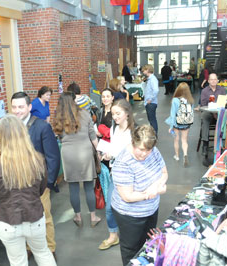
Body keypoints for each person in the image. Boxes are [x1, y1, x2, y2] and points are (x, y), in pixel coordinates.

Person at [0, 115, 56, 266]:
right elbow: (41, 189)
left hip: (7, 220)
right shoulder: (37, 159)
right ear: (24, 133)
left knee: (18, 261)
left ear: (1, 136)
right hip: (34, 216)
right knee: (43, 253)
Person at [10, 91, 60, 257]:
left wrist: (49, 182)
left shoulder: (42, 127)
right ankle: (30, 247)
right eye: (14, 107)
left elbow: (53, 157)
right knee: (25, 218)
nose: (17, 110)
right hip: (18, 182)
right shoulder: (11, 126)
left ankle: (50, 248)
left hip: (39, 183)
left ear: (29, 107)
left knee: (43, 217)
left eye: (21, 107)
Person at [111, 125, 168, 265]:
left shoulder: (153, 151)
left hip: (151, 210)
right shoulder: (123, 162)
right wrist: (151, 193)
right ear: (133, 142)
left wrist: (158, 185)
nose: (144, 154)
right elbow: (127, 196)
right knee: (131, 249)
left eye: (148, 150)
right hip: (129, 215)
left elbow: (164, 173)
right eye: (141, 149)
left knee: (148, 245)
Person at [53, 92, 101, 227]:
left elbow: (60, 137)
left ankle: (78, 216)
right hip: (85, 152)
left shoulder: (59, 117)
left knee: (73, 188)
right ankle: (93, 217)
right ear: (74, 101)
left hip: (68, 154)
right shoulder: (85, 114)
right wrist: (99, 152)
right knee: (88, 187)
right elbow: (92, 136)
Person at [99, 99, 135, 251]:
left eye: (118, 113)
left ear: (127, 113)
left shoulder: (134, 131)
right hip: (115, 172)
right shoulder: (114, 128)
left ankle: (131, 235)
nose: (114, 117)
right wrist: (108, 154)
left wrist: (113, 154)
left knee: (130, 206)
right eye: (113, 114)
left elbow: (135, 154)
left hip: (130, 175)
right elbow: (114, 147)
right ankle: (113, 235)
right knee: (109, 207)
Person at [165, 82, 194, 167]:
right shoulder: (191, 100)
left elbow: (173, 115)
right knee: (184, 140)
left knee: (176, 140)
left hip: (177, 124)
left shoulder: (175, 100)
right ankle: (185, 154)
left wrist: (171, 127)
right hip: (186, 123)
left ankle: (177, 156)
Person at [200, 73, 226, 156]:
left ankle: (223, 143)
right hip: (209, 112)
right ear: (208, 81)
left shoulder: (222, 90)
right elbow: (203, 104)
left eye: (215, 79)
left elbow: (224, 102)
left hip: (219, 112)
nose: (213, 81)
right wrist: (212, 110)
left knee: (226, 118)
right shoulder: (204, 91)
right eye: (211, 79)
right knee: (204, 117)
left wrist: (217, 111)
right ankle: (205, 143)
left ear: (218, 80)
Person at [142, 64, 159, 135]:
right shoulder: (150, 79)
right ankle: (153, 133)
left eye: (144, 70)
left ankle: (154, 135)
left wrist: (150, 99)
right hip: (149, 102)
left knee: (152, 120)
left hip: (151, 103)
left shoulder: (153, 79)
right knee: (151, 119)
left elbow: (156, 90)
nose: (143, 71)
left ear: (148, 70)